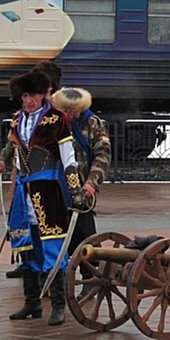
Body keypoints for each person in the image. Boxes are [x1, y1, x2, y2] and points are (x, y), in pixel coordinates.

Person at [1, 69, 85, 326]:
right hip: (24, 193)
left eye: (33, 96)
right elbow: (17, 156)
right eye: (24, 96)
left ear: (42, 95)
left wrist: (75, 191)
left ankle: (58, 305)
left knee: (53, 247)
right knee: (27, 246)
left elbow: (68, 159)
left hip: (47, 191)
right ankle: (32, 303)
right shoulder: (16, 121)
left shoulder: (57, 119)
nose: (28, 101)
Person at [0, 60, 63, 279]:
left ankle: (52, 272)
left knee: (50, 228)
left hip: (50, 179)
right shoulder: (21, 116)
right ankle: (29, 266)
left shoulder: (58, 114)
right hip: (24, 177)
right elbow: (13, 140)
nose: (29, 99)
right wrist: (3, 159)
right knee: (23, 222)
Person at [49, 86, 112, 296]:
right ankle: (54, 280)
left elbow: (103, 155)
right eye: (65, 111)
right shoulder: (50, 123)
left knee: (84, 235)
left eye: (72, 111)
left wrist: (92, 183)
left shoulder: (92, 123)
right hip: (55, 186)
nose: (69, 115)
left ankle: (90, 277)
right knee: (54, 235)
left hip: (82, 189)